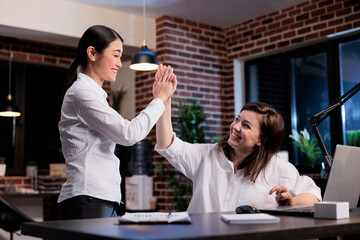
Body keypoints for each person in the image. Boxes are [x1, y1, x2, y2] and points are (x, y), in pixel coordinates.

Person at [57, 25, 176, 220]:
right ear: (92, 53)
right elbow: (128, 134)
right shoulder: (81, 92)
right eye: (116, 55)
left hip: (97, 199)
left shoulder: (93, 94)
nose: (120, 64)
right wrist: (158, 99)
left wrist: (163, 99)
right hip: (87, 200)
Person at [156, 101, 321, 213]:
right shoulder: (207, 155)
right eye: (237, 119)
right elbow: (167, 145)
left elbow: (314, 196)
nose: (235, 127)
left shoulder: (278, 168)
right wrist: (164, 99)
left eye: (246, 125)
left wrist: (292, 202)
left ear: (262, 140)